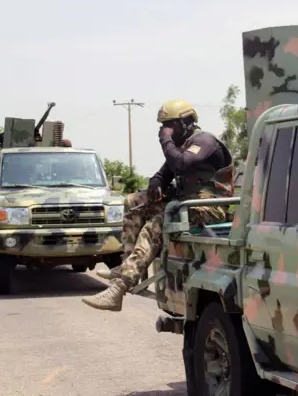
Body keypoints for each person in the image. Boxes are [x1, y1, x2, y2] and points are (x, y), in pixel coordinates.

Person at [82, 99, 234, 312]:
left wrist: (165, 141)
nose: (165, 130)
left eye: (170, 124)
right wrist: (156, 183)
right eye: (163, 126)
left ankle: (119, 289)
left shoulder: (205, 141)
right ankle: (127, 262)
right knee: (133, 202)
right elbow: (165, 172)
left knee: (156, 225)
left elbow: (181, 163)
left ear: (186, 122)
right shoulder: (181, 146)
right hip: (186, 206)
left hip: (210, 208)